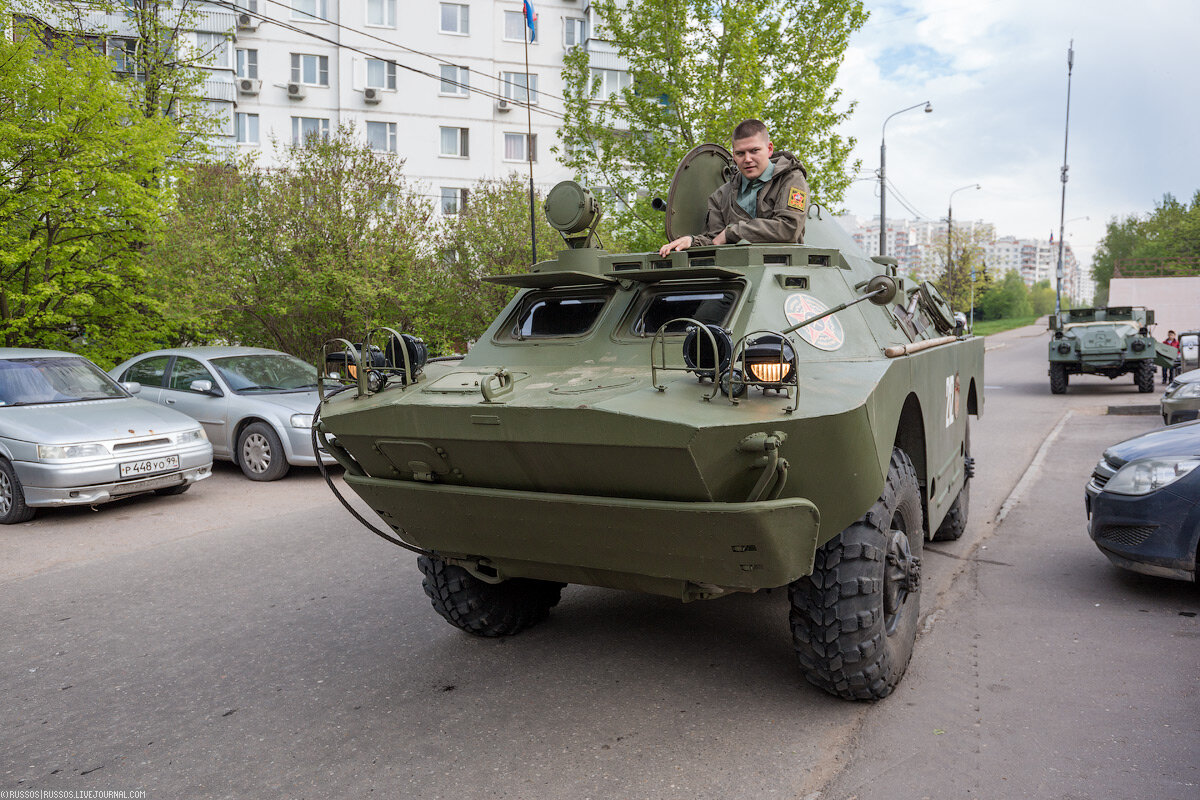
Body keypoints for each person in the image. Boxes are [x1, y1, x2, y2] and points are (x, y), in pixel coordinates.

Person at [659, 119, 809, 257]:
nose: (748, 159)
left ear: (769, 149)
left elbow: (789, 228)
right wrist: (691, 241)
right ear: (734, 155)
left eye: (754, 151)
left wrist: (732, 232)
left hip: (781, 271)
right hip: (736, 275)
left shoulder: (790, 180)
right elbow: (715, 239)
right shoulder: (722, 195)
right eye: (740, 153)